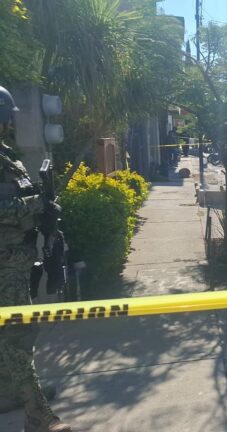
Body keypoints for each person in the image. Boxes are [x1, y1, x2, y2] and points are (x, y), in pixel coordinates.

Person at [0, 86, 72, 432]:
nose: (8, 126)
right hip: (3, 264)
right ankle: (38, 415)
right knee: (16, 336)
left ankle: (13, 395)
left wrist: (44, 206)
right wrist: (35, 206)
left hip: (15, 259)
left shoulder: (5, 156)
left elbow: (22, 196)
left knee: (18, 332)